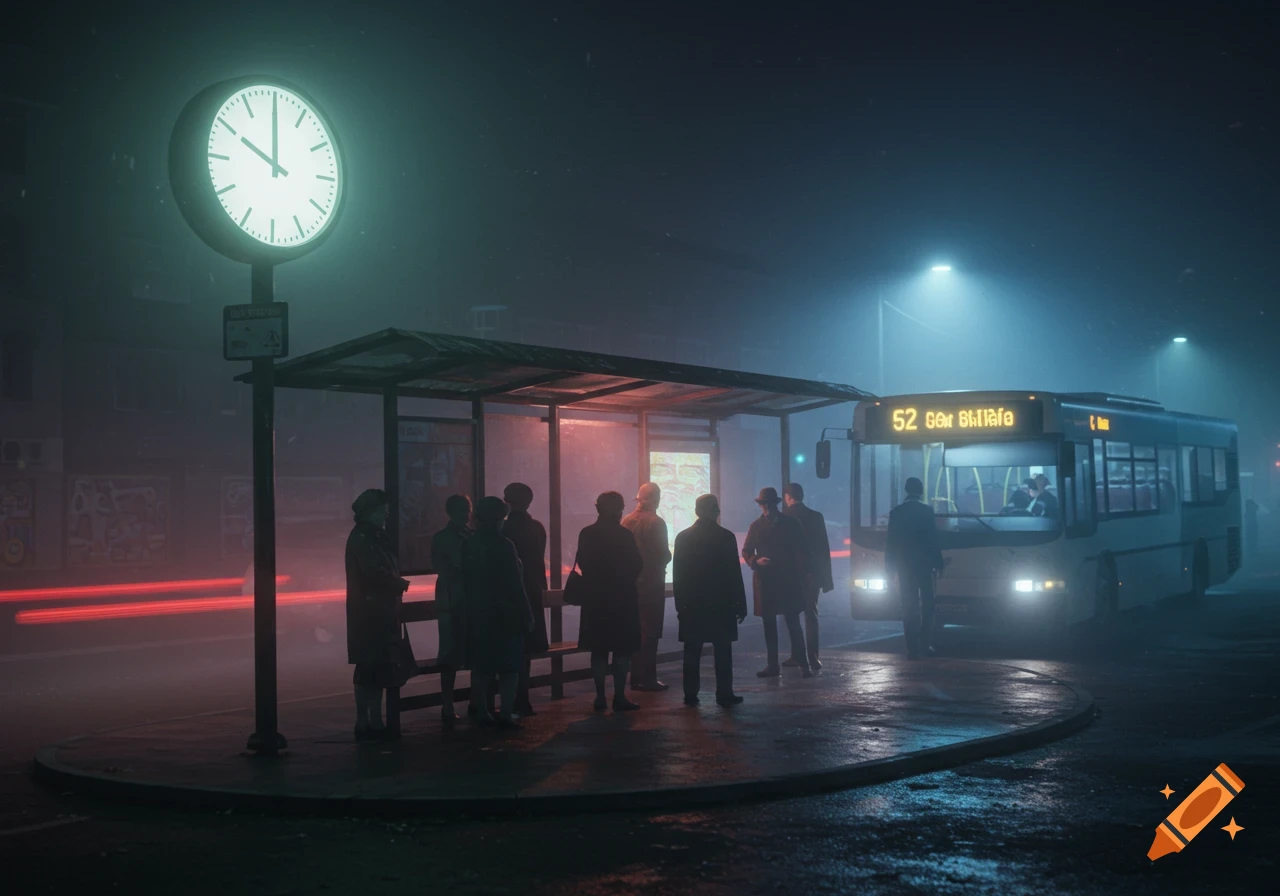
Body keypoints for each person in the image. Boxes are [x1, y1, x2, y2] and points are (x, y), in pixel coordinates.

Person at [461, 496, 534, 730]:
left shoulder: (469, 544)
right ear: (498, 519)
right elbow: (515, 584)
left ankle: (482, 710)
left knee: (482, 666)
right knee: (509, 667)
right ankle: (506, 712)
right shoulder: (504, 545)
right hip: (506, 614)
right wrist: (527, 614)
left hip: (479, 612)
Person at [345, 488, 410, 741]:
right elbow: (373, 570)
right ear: (369, 512)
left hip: (376, 611)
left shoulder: (369, 536)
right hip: (370, 613)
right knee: (369, 667)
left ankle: (372, 719)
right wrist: (397, 583)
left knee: (375, 667)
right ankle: (367, 720)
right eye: (382, 512)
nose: (385, 516)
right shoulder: (365, 538)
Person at [674, 494, 747, 706]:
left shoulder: (683, 537)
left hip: (693, 604)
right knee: (723, 651)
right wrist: (740, 605)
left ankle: (690, 693)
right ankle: (724, 693)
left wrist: (681, 604)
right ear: (716, 511)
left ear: (696, 511)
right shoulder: (725, 537)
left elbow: (678, 575)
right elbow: (734, 573)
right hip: (721, 604)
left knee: (692, 650)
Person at [577, 491, 645, 711]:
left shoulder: (587, 534)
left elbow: (583, 563)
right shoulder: (624, 535)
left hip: (595, 600)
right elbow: (637, 564)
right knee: (622, 651)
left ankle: (599, 696)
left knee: (598, 651)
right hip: (622, 599)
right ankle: (619, 696)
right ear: (617, 509)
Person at [742, 487, 812, 678]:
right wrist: (756, 561)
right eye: (764, 504)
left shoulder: (788, 523)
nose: (766, 508)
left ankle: (801, 663)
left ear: (775, 504)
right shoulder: (762, 525)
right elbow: (747, 551)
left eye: (768, 504)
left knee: (792, 622)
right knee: (773, 624)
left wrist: (800, 572)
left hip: (784, 579)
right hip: (770, 580)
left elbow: (803, 550)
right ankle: (778, 664)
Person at [502, 482, 550, 716]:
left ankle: (505, 700)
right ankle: (523, 697)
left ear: (506, 500)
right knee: (526, 649)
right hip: (531, 593)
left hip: (506, 596)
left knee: (506, 646)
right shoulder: (537, 528)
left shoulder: (502, 529)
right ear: (529, 502)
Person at [885, 477, 945, 659]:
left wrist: (889, 567)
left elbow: (891, 542)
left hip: (904, 566)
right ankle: (925, 644)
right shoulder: (926, 511)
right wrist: (939, 563)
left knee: (908, 605)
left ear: (906, 490)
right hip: (924, 565)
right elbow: (933, 540)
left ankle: (911, 648)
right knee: (927, 604)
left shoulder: (896, 512)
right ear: (921, 491)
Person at [623, 482, 673, 692]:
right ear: (657, 499)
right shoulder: (657, 522)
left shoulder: (626, 521)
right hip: (651, 584)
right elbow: (664, 554)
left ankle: (635, 677)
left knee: (634, 631)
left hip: (629, 586)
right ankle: (649, 678)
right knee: (651, 633)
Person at [429, 494, 473, 725]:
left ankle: (453, 704)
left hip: (455, 600)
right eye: (464, 509)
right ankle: (448, 704)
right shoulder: (457, 537)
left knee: (457, 653)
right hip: (453, 601)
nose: (466, 514)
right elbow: (442, 567)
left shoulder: (447, 537)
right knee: (449, 655)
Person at [782, 482, 834, 671]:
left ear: (788, 497)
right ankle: (813, 657)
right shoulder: (816, 517)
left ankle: (797, 655)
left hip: (790, 576)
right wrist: (826, 579)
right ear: (802, 496)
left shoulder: (784, 517)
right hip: (812, 574)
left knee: (792, 616)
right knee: (811, 615)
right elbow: (823, 550)